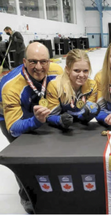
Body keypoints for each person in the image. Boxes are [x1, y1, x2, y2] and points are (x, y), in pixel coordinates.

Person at [0, 42, 63, 214]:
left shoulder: (57, 71)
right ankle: (27, 197)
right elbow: (13, 127)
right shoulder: (11, 85)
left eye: (43, 61)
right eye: (33, 61)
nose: (39, 67)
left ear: (49, 62)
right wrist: (35, 121)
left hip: (39, 112)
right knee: (24, 159)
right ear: (24, 61)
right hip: (11, 118)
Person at [46, 49, 100, 129]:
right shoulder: (55, 86)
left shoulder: (92, 86)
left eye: (85, 71)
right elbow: (50, 116)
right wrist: (59, 120)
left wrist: (90, 114)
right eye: (76, 71)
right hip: (60, 132)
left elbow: (85, 119)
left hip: (81, 131)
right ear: (67, 69)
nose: (81, 75)